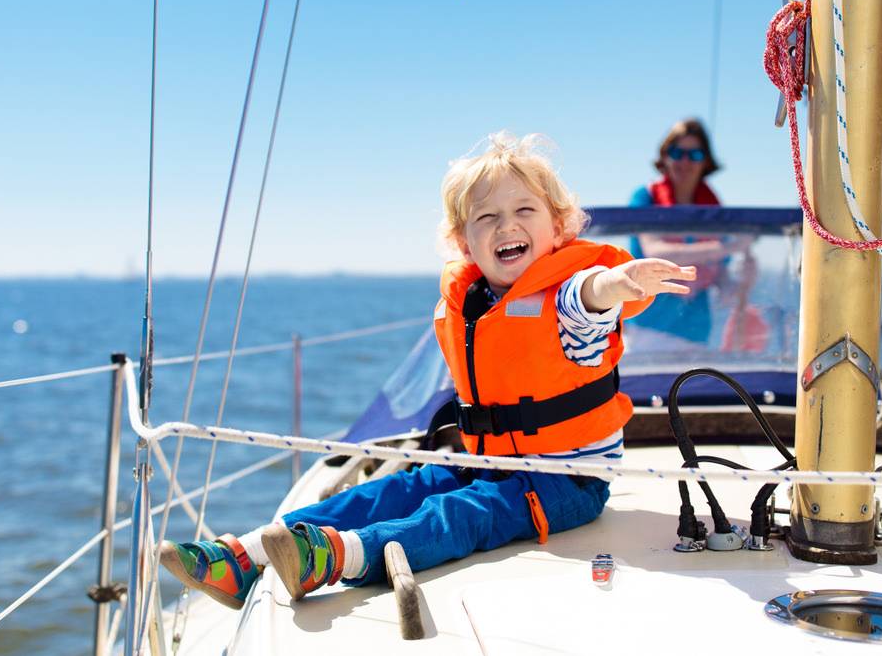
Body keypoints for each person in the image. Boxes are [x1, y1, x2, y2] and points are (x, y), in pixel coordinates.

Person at [158, 132, 696, 609]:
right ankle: (246, 557)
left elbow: (588, 298)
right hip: (490, 460)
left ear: (557, 228)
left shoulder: (564, 305)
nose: (506, 225)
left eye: (524, 212)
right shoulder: (478, 301)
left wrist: (617, 283)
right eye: (487, 217)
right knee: (386, 492)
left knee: (462, 514)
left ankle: (341, 557)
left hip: (568, 483)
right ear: (466, 243)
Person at [626, 118, 750, 345]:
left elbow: (721, 279)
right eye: (677, 152)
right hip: (647, 333)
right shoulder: (645, 198)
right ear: (664, 156)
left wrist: (743, 281)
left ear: (705, 162)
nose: (685, 161)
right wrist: (729, 247)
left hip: (696, 335)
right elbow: (656, 251)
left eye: (694, 155)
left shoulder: (714, 210)